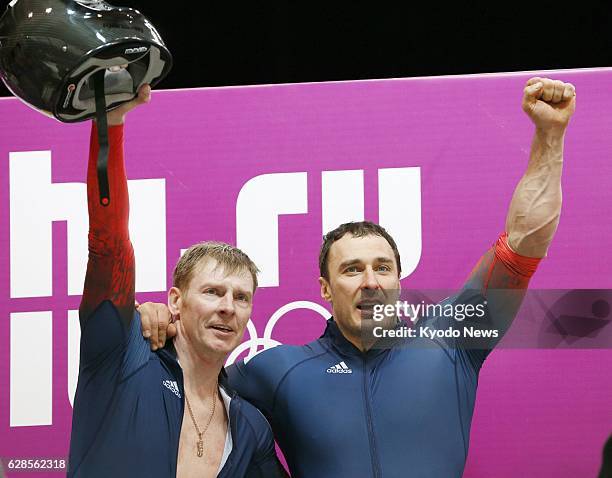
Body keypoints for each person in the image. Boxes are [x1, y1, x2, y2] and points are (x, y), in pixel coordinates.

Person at [139, 77, 576, 477]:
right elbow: (188, 376)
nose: (370, 281)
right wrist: (156, 318)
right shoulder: (277, 370)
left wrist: (550, 136)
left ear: (398, 281)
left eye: (382, 267)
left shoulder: (451, 340)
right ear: (325, 289)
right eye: (352, 269)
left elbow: (523, 243)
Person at [67, 85, 287, 478]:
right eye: (212, 292)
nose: (227, 307)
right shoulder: (122, 354)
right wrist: (111, 123)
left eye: (241, 297)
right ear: (175, 300)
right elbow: (109, 245)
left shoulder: (249, 427)